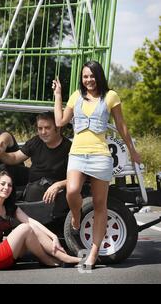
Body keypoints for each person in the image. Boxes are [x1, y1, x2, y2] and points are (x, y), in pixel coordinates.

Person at [53, 60, 142, 269]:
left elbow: (121, 126)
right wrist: (58, 96)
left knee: (101, 205)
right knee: (72, 191)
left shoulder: (111, 96)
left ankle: (93, 253)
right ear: (82, 79)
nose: (88, 80)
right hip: (77, 154)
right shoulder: (76, 97)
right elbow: (59, 122)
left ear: (98, 76)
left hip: (101, 156)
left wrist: (133, 150)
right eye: (85, 76)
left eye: (92, 76)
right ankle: (76, 216)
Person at [0, 171, 81, 272]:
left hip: (6, 256)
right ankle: (54, 259)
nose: (6, 187)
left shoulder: (9, 206)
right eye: (2, 184)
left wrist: (53, 236)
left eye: (9, 185)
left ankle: (55, 258)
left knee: (29, 227)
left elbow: (31, 221)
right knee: (24, 228)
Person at [0, 111, 71, 206]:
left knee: (34, 188)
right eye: (40, 128)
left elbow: (79, 178)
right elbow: (15, 157)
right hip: (32, 180)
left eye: (47, 128)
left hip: (52, 187)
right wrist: (1, 154)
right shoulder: (36, 141)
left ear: (58, 128)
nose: (43, 132)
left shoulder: (69, 147)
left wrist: (59, 185)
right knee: (2, 169)